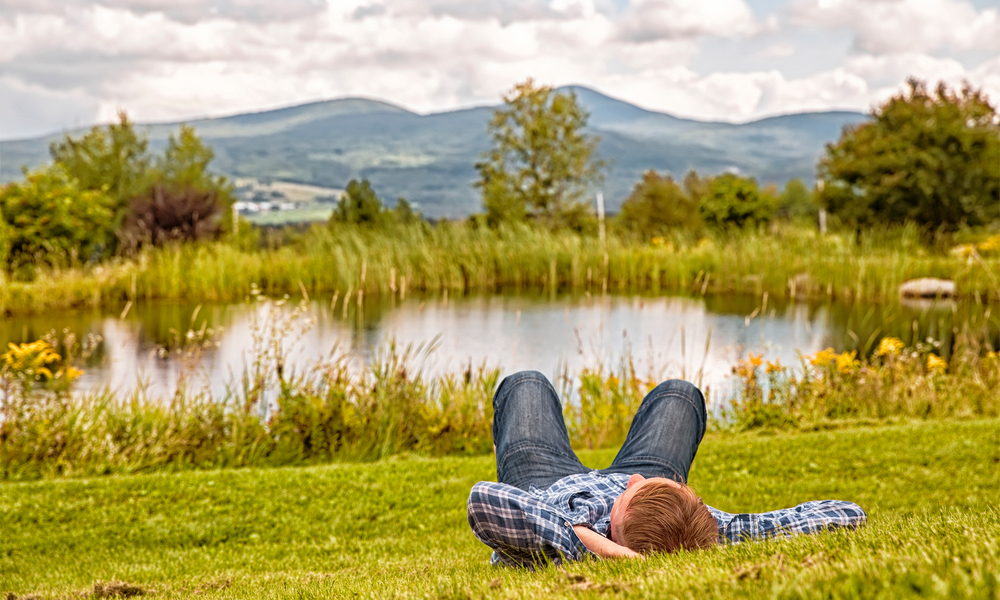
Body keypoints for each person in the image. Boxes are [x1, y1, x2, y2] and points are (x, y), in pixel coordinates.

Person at [467, 371, 866, 567]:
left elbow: (485, 500)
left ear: (617, 533)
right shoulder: (711, 527)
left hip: (547, 482)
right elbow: (847, 514)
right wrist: (639, 489)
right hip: (640, 485)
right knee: (680, 393)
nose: (635, 482)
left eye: (630, 494)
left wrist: (608, 551)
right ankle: (650, 489)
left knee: (526, 383)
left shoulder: (564, 542)